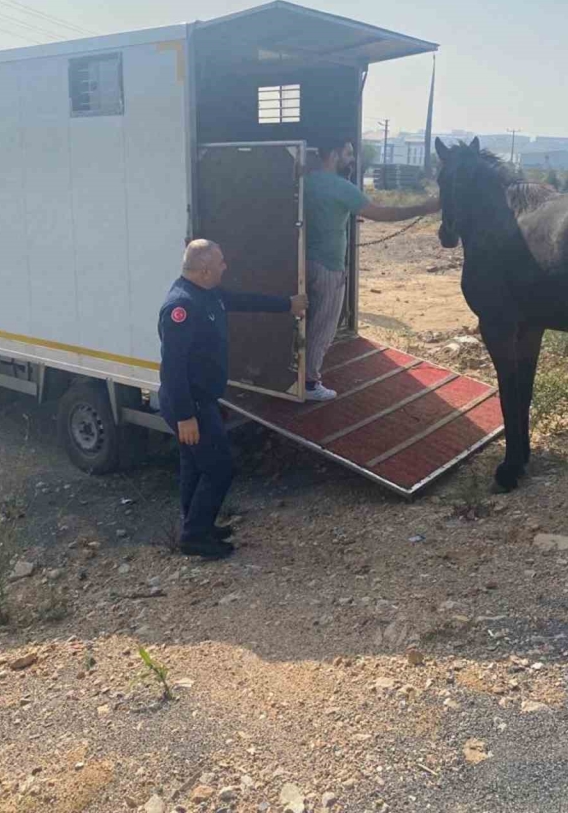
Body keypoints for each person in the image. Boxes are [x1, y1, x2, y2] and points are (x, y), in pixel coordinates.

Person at [158, 239, 308, 560]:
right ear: (205, 270)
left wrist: (287, 304)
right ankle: (195, 536)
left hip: (202, 401)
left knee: (194, 467)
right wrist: (186, 416)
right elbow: (172, 368)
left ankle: (196, 526)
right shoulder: (181, 308)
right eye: (221, 262)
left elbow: (243, 300)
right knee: (220, 468)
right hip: (190, 404)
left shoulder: (208, 293)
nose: (226, 266)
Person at [303, 137, 441, 401]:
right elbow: (382, 213)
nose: (352, 159)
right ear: (332, 154)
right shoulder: (342, 187)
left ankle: (294, 375)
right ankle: (310, 384)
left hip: (301, 262)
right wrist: (425, 207)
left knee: (302, 321)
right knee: (322, 327)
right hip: (329, 266)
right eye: (348, 153)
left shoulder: (306, 182)